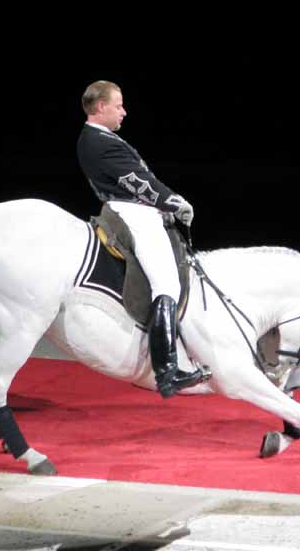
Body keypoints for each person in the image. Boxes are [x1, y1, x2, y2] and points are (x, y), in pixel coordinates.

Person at [76, 80, 204, 398]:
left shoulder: (100, 139)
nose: (124, 111)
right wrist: (173, 201)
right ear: (101, 106)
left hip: (132, 209)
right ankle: (167, 371)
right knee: (166, 285)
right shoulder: (98, 141)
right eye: (118, 105)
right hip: (134, 213)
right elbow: (138, 182)